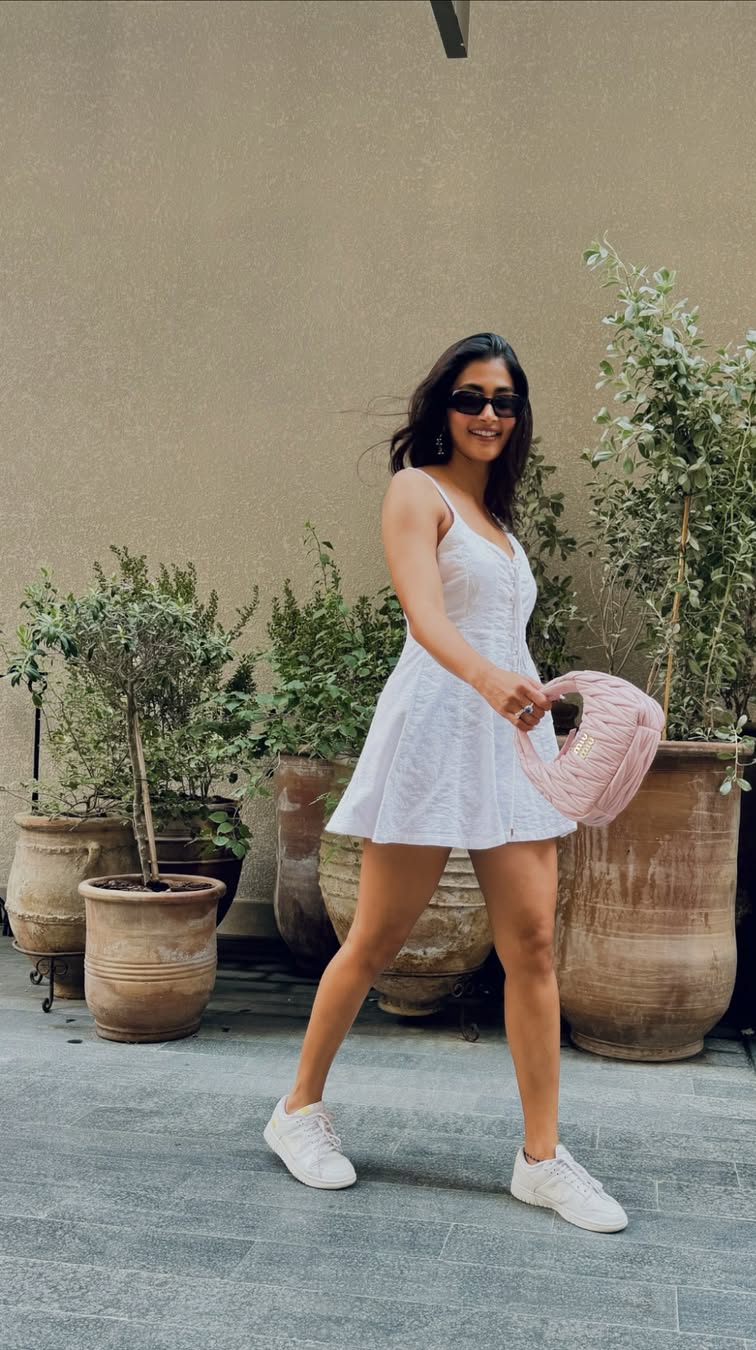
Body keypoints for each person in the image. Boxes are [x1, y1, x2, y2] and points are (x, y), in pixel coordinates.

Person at [262, 332, 629, 1234]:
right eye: (471, 398)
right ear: (443, 407)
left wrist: (531, 697)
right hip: (436, 726)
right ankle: (297, 1110)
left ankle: (542, 1160)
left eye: (504, 401)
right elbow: (425, 617)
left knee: (533, 943)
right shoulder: (414, 492)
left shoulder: (500, 525)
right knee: (376, 938)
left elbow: (503, 635)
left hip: (511, 740)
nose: (488, 414)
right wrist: (489, 680)